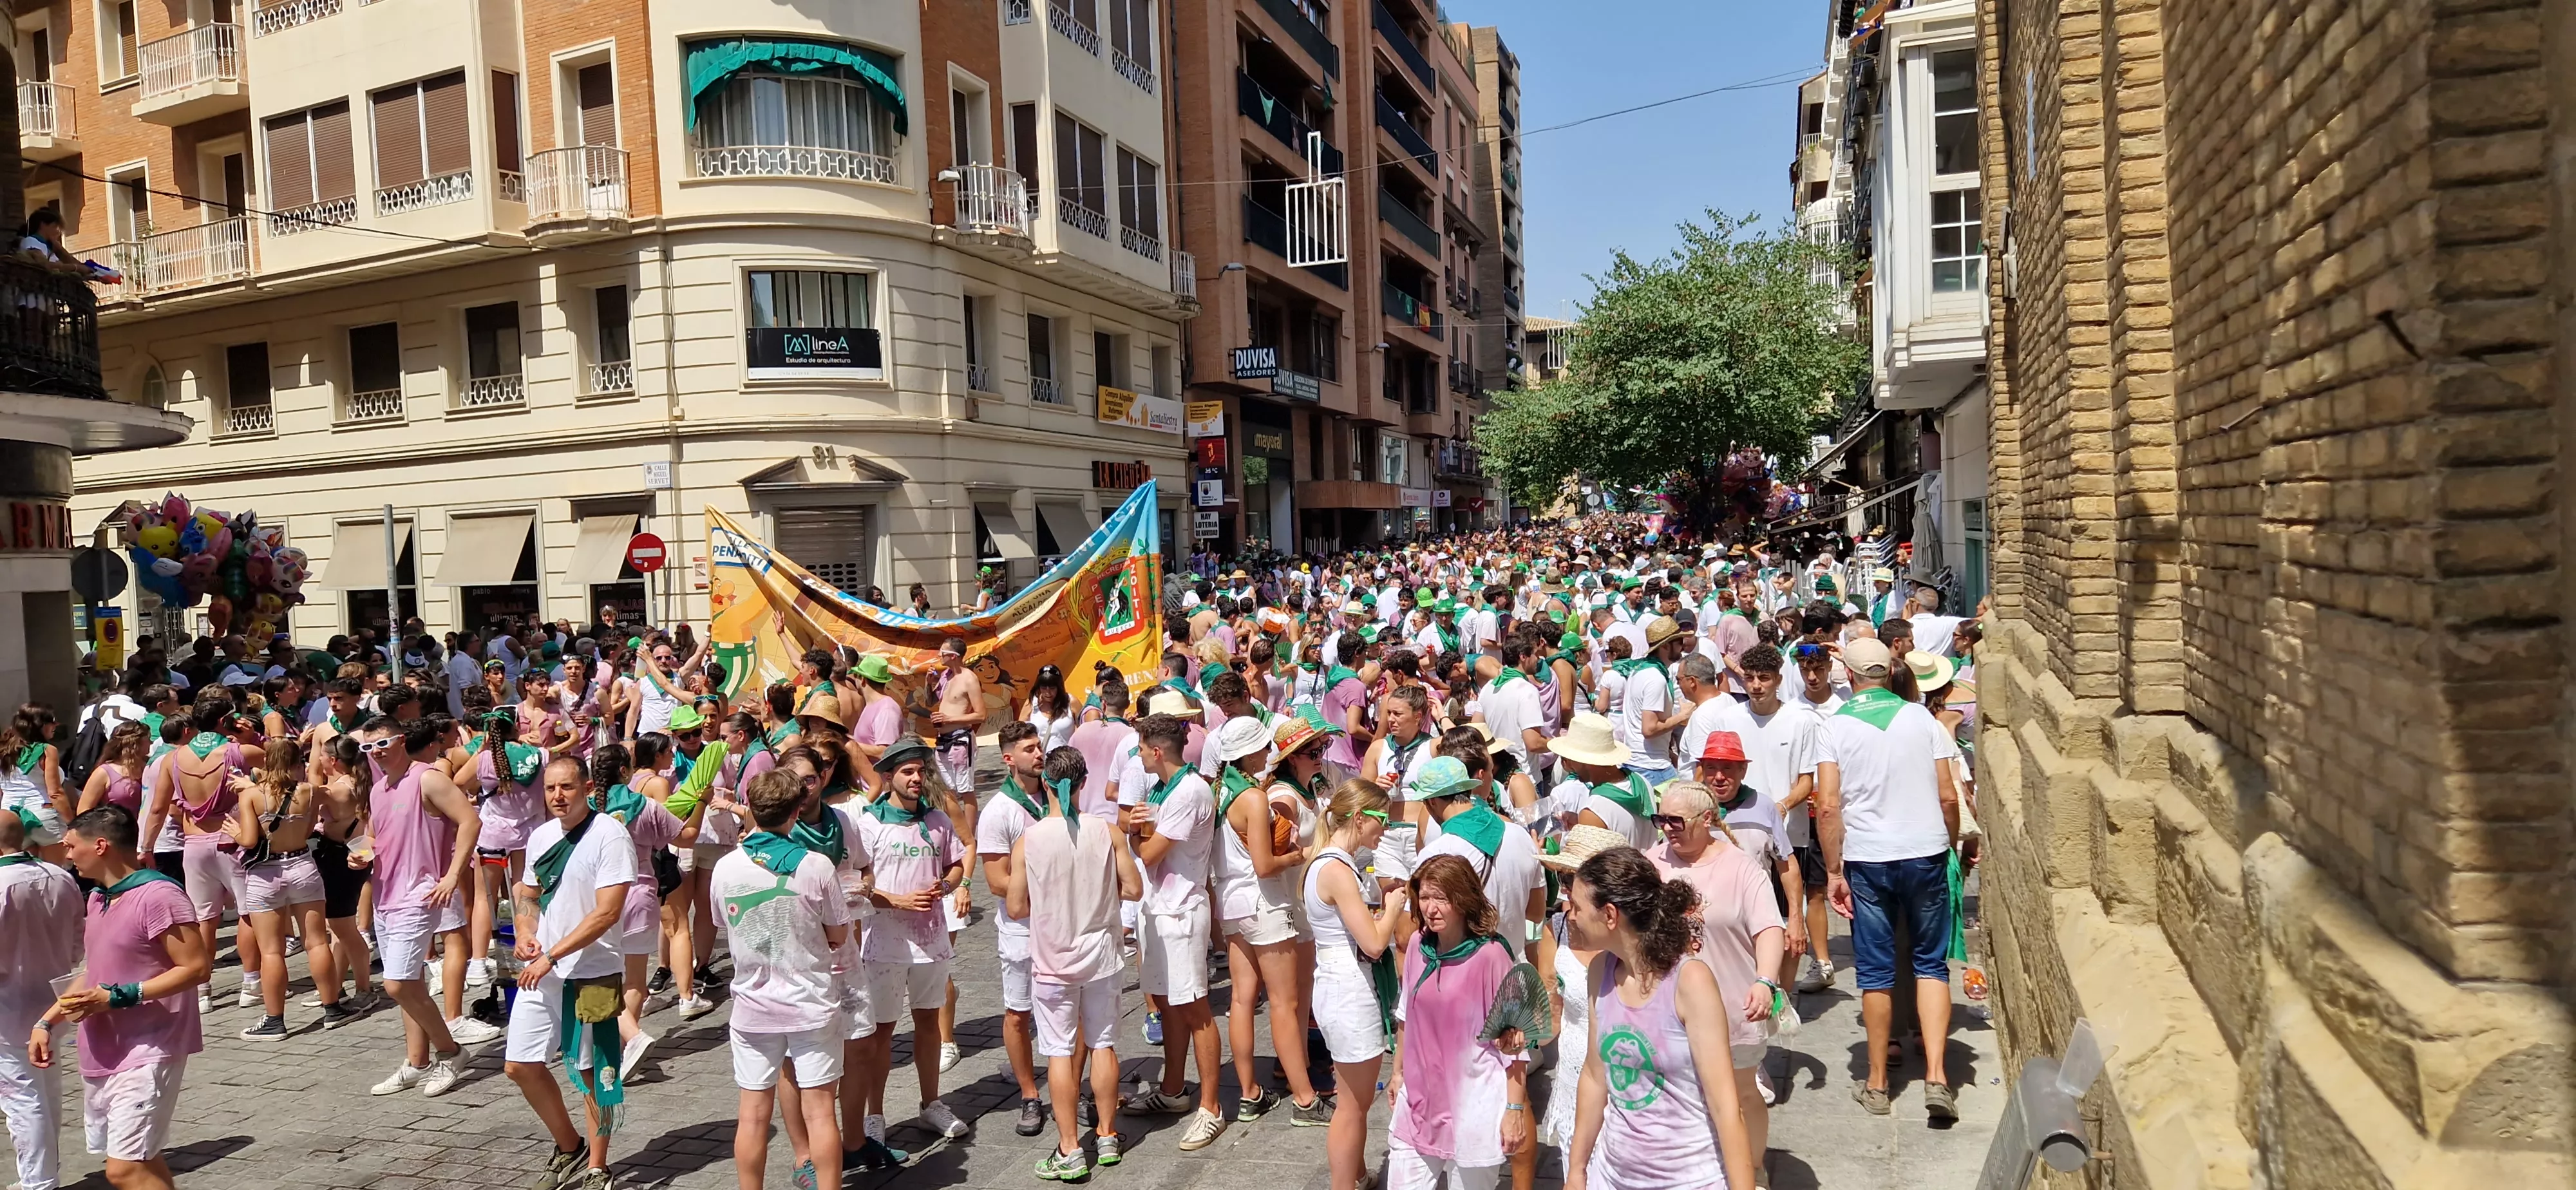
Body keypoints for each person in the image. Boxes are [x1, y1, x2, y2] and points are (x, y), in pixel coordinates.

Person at [1812, 638, 1962, 1120]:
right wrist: (1950, 845)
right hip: (1925, 851)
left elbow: (1829, 805)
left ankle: (1877, 1083)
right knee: (1931, 965)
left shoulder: (1835, 727)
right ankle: (1937, 1076)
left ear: (1849, 677)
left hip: (1869, 858)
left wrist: (1834, 870)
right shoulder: (1924, 719)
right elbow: (1948, 796)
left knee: (1876, 972)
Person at [32, 806, 214, 1190]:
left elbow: (196, 968)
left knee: (124, 1170)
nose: (66, 854)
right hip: (104, 1050)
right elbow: (94, 972)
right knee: (144, 1161)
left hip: (151, 1048)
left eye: (70, 846)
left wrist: (121, 997)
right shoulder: (99, 898)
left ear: (100, 846)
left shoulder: (160, 895)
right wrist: (48, 1021)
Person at [1563, 845, 1757, 1190]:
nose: (1571, 915)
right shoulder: (1600, 971)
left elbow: (1727, 1106)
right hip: (1612, 1177)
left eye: (1578, 906)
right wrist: (1577, 1171)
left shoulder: (1690, 982)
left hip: (1691, 1179)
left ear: (1610, 915)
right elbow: (1595, 1077)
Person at [1007, 746, 1142, 1182]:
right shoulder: (1107, 832)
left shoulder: (1029, 840)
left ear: (1045, 782)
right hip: (1101, 956)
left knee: (1059, 1051)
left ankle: (1069, 1148)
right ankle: (1105, 1133)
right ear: (1083, 783)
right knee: (1103, 1044)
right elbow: (1135, 889)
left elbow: (1014, 906)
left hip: (1053, 961)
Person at [716, 768, 854, 1190]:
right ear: (796, 811)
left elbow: (723, 923)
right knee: (820, 1115)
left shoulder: (725, 867)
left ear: (752, 810)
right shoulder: (816, 866)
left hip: (753, 1007)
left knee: (753, 1115)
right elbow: (839, 933)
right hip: (809, 1002)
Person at [505, 755, 636, 1190]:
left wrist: (553, 955)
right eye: (550, 789)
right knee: (520, 1065)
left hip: (593, 969)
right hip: (544, 967)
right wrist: (526, 931)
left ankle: (599, 1165)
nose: (558, 796)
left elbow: (607, 912)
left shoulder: (609, 836)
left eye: (567, 788)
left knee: (591, 1072)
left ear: (587, 789)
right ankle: (569, 1145)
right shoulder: (541, 835)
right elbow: (528, 891)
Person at [1649, 779, 1786, 1167]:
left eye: (1676, 820)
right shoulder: (1652, 862)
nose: (1667, 828)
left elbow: (1769, 930)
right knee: (1681, 1094)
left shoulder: (1741, 868)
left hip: (1732, 1007)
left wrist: (1766, 982)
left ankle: (1753, 1167)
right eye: (1661, 820)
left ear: (1707, 819)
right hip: (1669, 1010)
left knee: (1741, 1093)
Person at [1385, 853, 1531, 1190]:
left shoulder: (1491, 956)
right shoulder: (1420, 946)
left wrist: (1514, 1109)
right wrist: (1398, 1072)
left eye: (1442, 899)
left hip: (1473, 1109)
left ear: (1464, 901)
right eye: (1424, 897)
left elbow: (1515, 1045)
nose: (1431, 908)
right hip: (1420, 1103)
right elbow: (1407, 1013)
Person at [851, 739, 972, 1145]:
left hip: (931, 942)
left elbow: (955, 864)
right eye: (907, 772)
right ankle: (876, 1115)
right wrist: (897, 900)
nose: (917, 778)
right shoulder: (869, 824)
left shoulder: (937, 820)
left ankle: (930, 1104)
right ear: (888, 777)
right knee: (882, 1031)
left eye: (921, 771)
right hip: (884, 945)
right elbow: (858, 886)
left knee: (928, 1024)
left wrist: (949, 884)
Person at [1117, 712, 1227, 1149]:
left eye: (1141, 748)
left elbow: (1149, 852)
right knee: (1167, 1005)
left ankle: (1212, 1108)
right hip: (1159, 910)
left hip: (1182, 912)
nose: (1138, 754)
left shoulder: (1187, 791)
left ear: (1157, 751)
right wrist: (1138, 830)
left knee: (1196, 1009)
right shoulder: (1167, 787)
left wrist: (1134, 833)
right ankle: (1174, 1090)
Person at [1208, 713, 1325, 1124]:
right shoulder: (1255, 798)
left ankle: (1249, 1093)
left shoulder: (1221, 790)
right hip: (1264, 903)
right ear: (1251, 751)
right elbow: (1264, 864)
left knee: (1241, 999)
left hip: (1232, 903)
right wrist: (1297, 855)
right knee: (1285, 1001)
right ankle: (1306, 1099)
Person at [364, 717, 483, 1097]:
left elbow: (470, 821)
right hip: (385, 894)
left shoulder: (427, 778)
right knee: (409, 983)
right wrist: (362, 855)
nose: (377, 752)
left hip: (418, 895)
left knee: (396, 983)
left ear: (401, 740)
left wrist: (451, 875)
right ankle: (417, 1062)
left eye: (382, 743)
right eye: (369, 747)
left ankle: (450, 1051)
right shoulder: (379, 788)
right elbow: (372, 836)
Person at [1305, 779, 1410, 1190]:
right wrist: (1393, 908)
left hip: (1337, 983)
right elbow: (1373, 941)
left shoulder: (1329, 863)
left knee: (1355, 1104)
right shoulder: (1338, 870)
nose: (1384, 829)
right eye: (1381, 819)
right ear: (1360, 817)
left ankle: (1356, 1175)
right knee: (1352, 1106)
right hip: (1349, 989)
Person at [232, 737, 355, 1039]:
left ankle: (275, 1021)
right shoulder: (309, 792)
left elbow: (249, 840)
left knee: (271, 950)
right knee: (316, 942)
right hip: (302, 865)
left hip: (266, 873)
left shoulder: (252, 796)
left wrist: (234, 832)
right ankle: (332, 1008)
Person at [0, 809, 80, 1190]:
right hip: (54, 996)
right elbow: (79, 942)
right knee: (44, 1089)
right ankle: (44, 1172)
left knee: (22, 1096)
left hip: (8, 1005)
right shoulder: (61, 877)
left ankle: (39, 1181)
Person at [978, 720, 1050, 1136]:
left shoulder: (1059, 800)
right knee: (1019, 1013)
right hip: (1022, 929)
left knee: (1067, 1010)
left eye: (1039, 747)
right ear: (1008, 759)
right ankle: (1029, 1093)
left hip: (1059, 928)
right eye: (1028, 749)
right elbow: (998, 882)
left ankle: (1068, 1084)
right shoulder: (999, 811)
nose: (1038, 754)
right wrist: (1050, 892)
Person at [0, 704, 71, 856]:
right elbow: (56, 793)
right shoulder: (47, 750)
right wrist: (73, 823)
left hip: (11, 818)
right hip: (44, 815)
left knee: (21, 871)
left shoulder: (4, 751)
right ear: (41, 725)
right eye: (52, 721)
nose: (56, 725)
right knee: (56, 872)